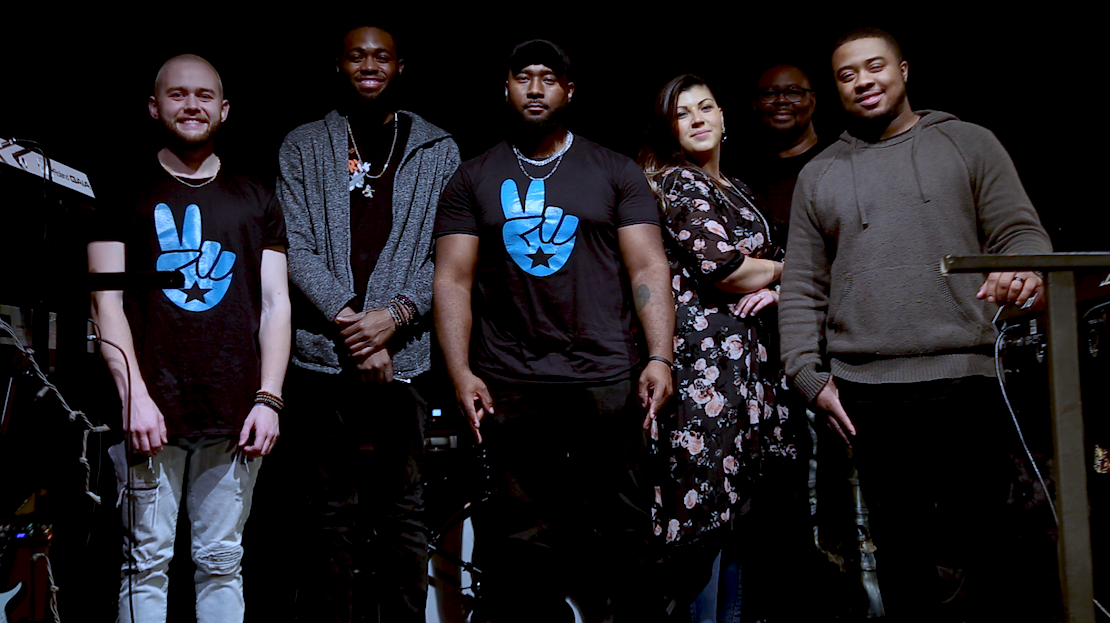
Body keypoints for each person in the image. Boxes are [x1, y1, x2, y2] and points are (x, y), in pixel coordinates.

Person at [779, 27, 1052, 622]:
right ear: (836, 89)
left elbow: (1020, 233)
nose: (863, 81)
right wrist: (806, 375)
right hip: (868, 391)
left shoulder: (967, 142)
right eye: (847, 75)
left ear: (903, 71)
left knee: (986, 546)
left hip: (967, 378)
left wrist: (1021, 267)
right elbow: (801, 286)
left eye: (874, 67)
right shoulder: (820, 174)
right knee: (900, 554)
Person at [433, 39, 674, 622]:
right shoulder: (473, 177)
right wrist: (460, 371)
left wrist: (659, 356)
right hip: (512, 380)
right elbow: (452, 280)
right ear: (506, 88)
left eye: (548, 77)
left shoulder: (614, 170)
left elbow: (648, 267)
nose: (536, 88)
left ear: (569, 90)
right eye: (524, 77)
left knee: (623, 526)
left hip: (605, 375)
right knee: (521, 537)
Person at [88, 54, 290, 623]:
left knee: (223, 561)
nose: (192, 105)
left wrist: (269, 398)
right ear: (155, 107)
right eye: (178, 94)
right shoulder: (123, 191)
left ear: (224, 110)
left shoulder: (255, 196)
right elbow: (105, 303)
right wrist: (134, 396)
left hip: (234, 415)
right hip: (149, 413)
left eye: (204, 95)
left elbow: (276, 304)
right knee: (145, 565)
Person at [277, 23, 459, 623]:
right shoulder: (303, 145)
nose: (370, 65)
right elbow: (294, 246)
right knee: (328, 511)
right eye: (357, 56)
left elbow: (449, 253)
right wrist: (354, 325)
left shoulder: (438, 149)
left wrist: (394, 317)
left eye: (382, 56)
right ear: (339, 66)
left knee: (402, 511)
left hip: (405, 357)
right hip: (322, 357)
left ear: (400, 67)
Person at [638, 74, 800, 623]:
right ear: (669, 129)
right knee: (703, 519)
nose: (698, 119)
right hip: (706, 371)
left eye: (706, 107)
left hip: (749, 368)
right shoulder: (681, 182)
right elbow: (724, 267)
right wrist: (786, 272)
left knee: (737, 521)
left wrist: (776, 282)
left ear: (724, 117)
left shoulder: (734, 186)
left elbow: (766, 268)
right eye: (683, 113)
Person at [737, 63, 830, 249]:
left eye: (793, 92)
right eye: (769, 94)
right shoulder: (741, 176)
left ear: (812, 101)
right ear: (755, 105)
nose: (781, 100)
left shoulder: (835, 160)